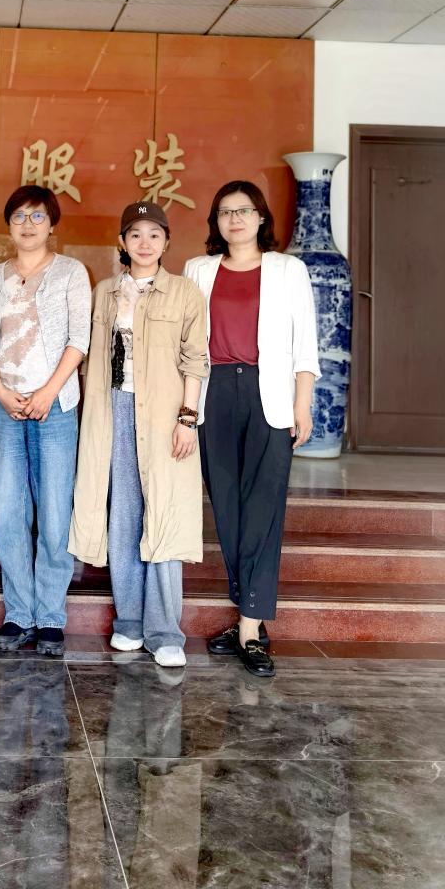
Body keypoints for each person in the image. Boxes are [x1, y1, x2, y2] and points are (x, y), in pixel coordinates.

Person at [184, 180, 320, 677]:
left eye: (244, 210)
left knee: (262, 509)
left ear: (261, 217)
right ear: (216, 222)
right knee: (227, 510)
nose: (235, 219)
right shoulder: (198, 270)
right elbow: (185, 341)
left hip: (271, 396)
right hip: (214, 392)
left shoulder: (288, 270)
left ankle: (248, 628)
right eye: (225, 212)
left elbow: (306, 344)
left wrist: (302, 404)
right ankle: (250, 616)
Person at [70, 201, 208, 668]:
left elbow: (196, 359)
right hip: (115, 411)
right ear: (122, 242)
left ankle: (165, 631)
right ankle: (129, 621)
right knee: (124, 516)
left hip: (166, 416)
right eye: (135, 235)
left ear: (166, 242)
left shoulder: (185, 292)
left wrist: (187, 417)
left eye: (154, 234)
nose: (145, 243)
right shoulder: (105, 292)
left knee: (165, 514)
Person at [0, 185, 91, 657]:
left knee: (55, 513)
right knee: (10, 511)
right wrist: (1, 391)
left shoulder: (71, 272)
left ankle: (50, 617)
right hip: (7, 407)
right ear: (9, 224)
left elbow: (79, 340)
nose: (28, 224)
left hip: (55, 408)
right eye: (19, 216)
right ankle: (18, 613)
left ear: (52, 224)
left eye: (37, 216)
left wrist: (47, 393)